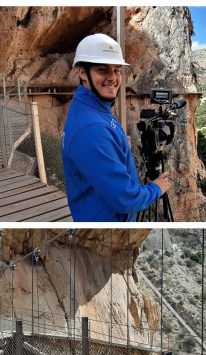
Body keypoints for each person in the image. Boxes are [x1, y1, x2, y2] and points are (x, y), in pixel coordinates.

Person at [62, 33, 171, 222]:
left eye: (117, 70)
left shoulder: (92, 108)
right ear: (82, 73)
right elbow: (125, 198)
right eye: (102, 70)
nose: (112, 78)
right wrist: (156, 188)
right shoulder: (92, 130)